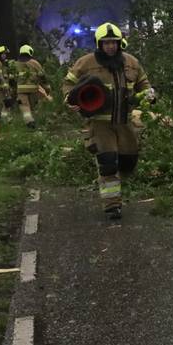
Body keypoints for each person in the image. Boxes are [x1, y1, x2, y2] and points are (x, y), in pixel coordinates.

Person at [62, 23, 152, 221]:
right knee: (108, 163)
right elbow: (68, 84)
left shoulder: (131, 63)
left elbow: (144, 85)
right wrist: (70, 99)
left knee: (128, 162)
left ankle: (116, 186)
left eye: (114, 42)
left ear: (120, 43)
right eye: (106, 42)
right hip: (99, 124)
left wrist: (147, 96)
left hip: (124, 123)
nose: (110, 46)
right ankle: (112, 205)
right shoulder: (86, 63)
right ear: (98, 44)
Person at [13, 44, 51, 129]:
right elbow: (42, 76)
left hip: (21, 91)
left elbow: (12, 78)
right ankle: (38, 122)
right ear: (30, 52)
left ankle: (30, 122)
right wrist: (47, 87)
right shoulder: (34, 63)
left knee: (25, 107)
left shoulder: (15, 64)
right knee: (34, 106)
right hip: (33, 90)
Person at [0, 46, 18, 110]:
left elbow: (6, 76)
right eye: (3, 54)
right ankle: (3, 119)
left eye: (5, 54)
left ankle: (6, 118)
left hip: (4, 90)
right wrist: (5, 86)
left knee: (6, 106)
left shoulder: (3, 64)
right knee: (1, 106)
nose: (5, 56)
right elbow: (0, 76)